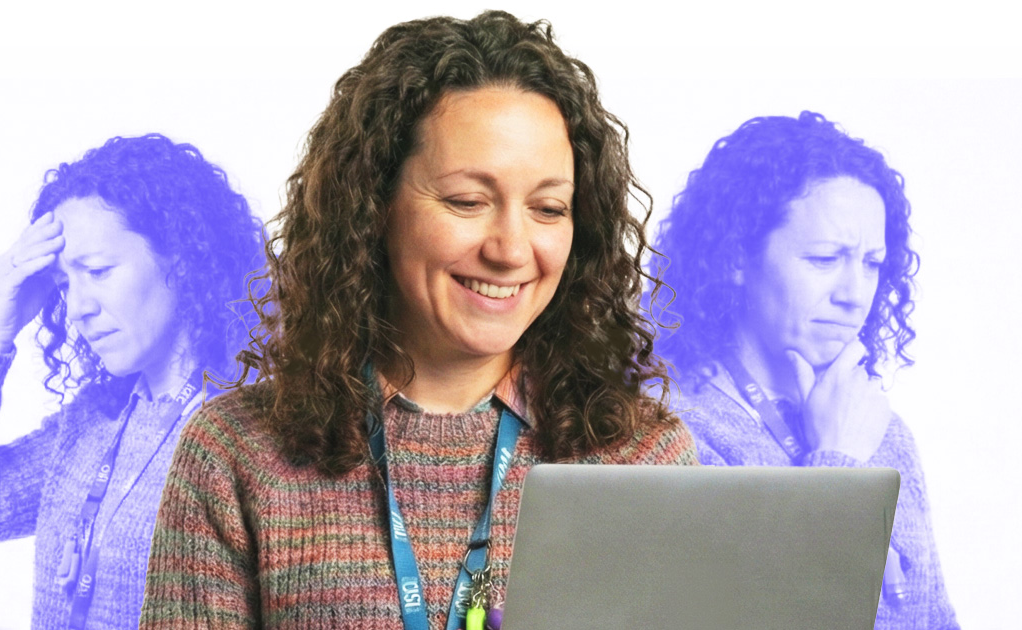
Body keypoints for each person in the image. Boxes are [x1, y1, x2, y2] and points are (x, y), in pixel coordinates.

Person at [138, 11, 697, 630]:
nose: (512, 249)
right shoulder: (235, 454)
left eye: (548, 208)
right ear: (372, 205)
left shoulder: (643, 458)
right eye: (467, 201)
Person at [0, 134, 266, 630]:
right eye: (63, 283)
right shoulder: (93, 422)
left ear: (181, 260)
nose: (76, 308)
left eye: (97, 271)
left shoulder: (259, 431)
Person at [651, 111, 958, 629]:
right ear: (737, 259)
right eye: (825, 259)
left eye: (871, 263)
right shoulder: (667, 431)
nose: (854, 295)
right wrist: (838, 467)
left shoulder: (882, 431)